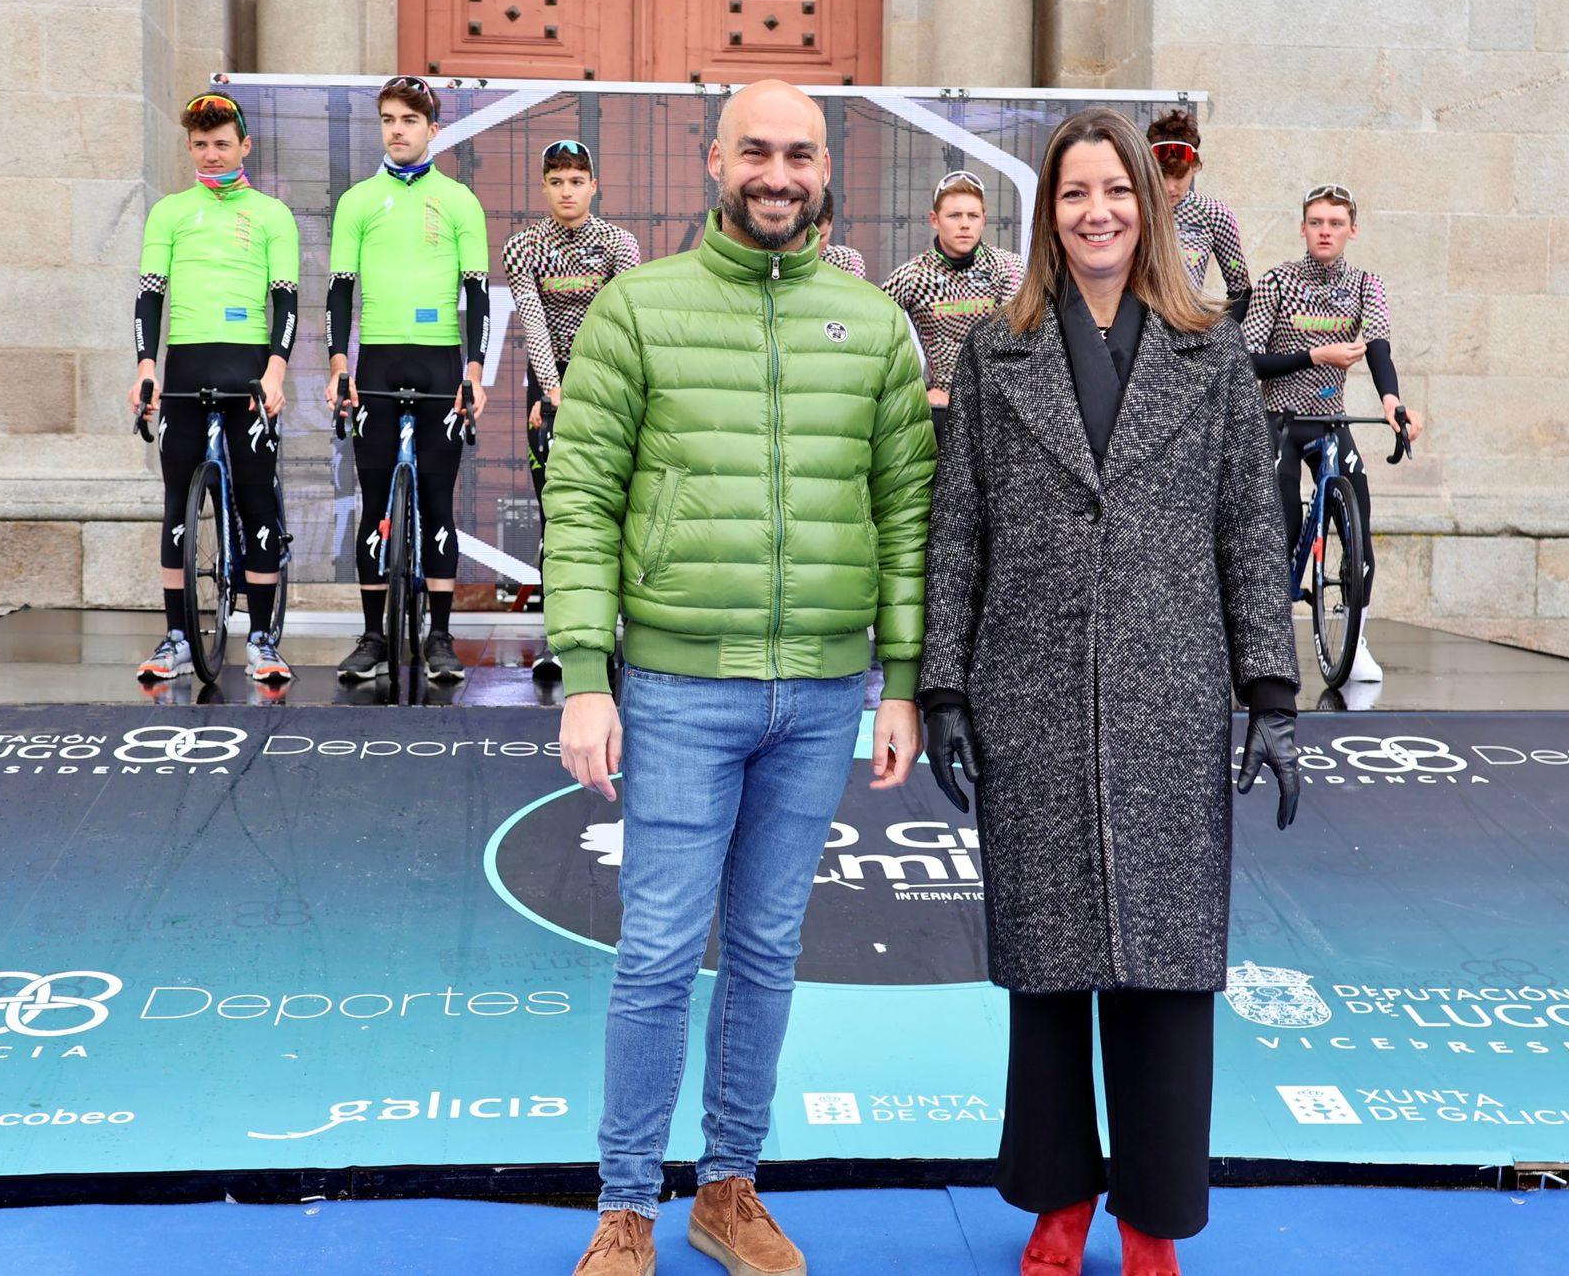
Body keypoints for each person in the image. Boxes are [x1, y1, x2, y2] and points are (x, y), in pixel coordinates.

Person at [543, 79, 935, 1276]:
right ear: (715, 159)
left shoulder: (871, 325)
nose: (777, 173)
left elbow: (906, 511)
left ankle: (728, 1186)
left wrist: (902, 681)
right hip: (674, 686)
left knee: (765, 947)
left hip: (822, 693)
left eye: (799, 154)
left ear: (828, 169)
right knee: (659, 950)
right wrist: (580, 672)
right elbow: (581, 496)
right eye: (755, 150)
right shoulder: (634, 309)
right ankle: (624, 1206)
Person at [918, 108, 1302, 1276]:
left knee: (1166, 971)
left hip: (1170, 690)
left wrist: (1269, 689)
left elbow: (1248, 524)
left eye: (1116, 191)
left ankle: (1147, 1218)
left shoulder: (1211, 353)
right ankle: (1054, 1203)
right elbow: (958, 528)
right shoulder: (997, 349)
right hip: (1022, 688)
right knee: (1046, 969)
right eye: (1075, 193)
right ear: (1050, 212)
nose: (1097, 212)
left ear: (1149, 205)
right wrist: (942, 686)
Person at [324, 76, 491, 684]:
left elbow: (476, 296)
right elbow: (340, 289)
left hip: (441, 362)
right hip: (378, 364)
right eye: (389, 119)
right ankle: (373, 635)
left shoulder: (459, 201)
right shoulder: (357, 201)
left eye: (410, 120)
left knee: (437, 503)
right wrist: (340, 364)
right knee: (375, 503)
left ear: (433, 130)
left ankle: (440, 636)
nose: (397, 129)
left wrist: (474, 371)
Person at [131, 92, 298, 684]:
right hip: (187, 367)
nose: (209, 154)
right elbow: (150, 294)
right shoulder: (170, 212)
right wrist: (147, 366)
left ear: (244, 145)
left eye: (221, 143)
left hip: (249, 367)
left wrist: (276, 369)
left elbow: (286, 299)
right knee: (178, 503)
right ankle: (177, 636)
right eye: (199, 145)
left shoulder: (272, 214)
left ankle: (261, 639)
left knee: (256, 501)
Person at [1242, 183, 1425, 685]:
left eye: (1336, 223)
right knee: (1271, 533)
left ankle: (1354, 634)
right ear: (1303, 228)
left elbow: (1379, 348)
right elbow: (1248, 360)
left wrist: (1392, 402)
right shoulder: (1277, 282)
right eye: (1317, 222)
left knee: (1357, 524)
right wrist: (1314, 356)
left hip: (1331, 420)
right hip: (1279, 421)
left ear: (1352, 230)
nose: (1326, 231)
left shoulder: (1366, 284)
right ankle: (1262, 643)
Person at [500, 138, 641, 680]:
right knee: (557, 518)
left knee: (621, 512)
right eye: (557, 181)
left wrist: (593, 386)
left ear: (593, 185)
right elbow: (533, 321)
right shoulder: (524, 246)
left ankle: (622, 637)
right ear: (544, 188)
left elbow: (619, 320)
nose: (567, 191)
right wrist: (553, 393)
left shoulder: (617, 245)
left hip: (607, 383)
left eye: (576, 181)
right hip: (550, 390)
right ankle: (561, 641)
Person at [881, 170, 1024, 419]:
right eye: (954, 215)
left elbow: (1014, 343)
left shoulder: (1008, 266)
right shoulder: (912, 276)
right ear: (934, 220)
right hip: (940, 410)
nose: (965, 224)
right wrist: (915, 391)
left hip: (998, 406)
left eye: (973, 215)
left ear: (984, 220)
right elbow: (875, 336)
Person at [1146, 108, 1250, 323]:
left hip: (1187, 329)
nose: (1169, 187)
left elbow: (1240, 287)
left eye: (1178, 176)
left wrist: (1219, 336)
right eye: (1162, 176)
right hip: (1136, 332)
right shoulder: (1135, 208)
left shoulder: (1214, 214)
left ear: (1194, 167)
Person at [813, 188, 866, 279]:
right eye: (805, 239)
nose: (812, 246)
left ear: (831, 223)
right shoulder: (781, 262)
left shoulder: (846, 260)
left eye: (821, 237)